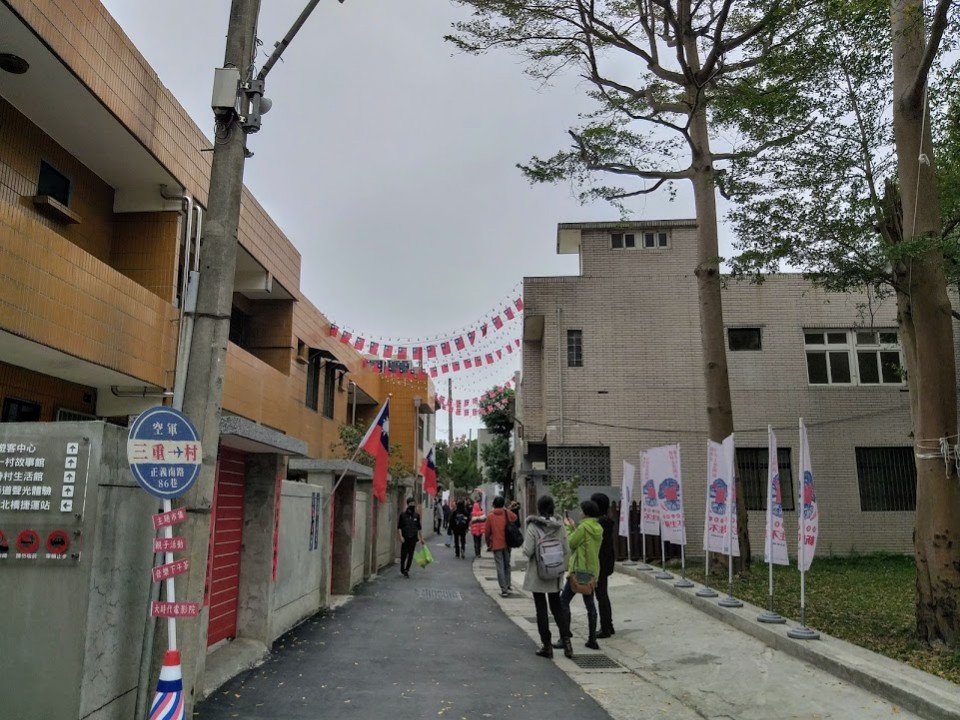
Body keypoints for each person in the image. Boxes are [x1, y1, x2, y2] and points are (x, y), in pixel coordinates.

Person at [523, 495, 572, 659]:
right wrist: (562, 568)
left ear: (538, 508)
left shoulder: (533, 527)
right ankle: (567, 643)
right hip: (555, 572)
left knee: (541, 609)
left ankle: (547, 646)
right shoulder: (559, 526)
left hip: (538, 573)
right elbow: (566, 549)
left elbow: (527, 551)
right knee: (557, 607)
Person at [554, 499, 603, 650]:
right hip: (592, 570)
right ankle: (592, 638)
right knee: (590, 604)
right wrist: (575, 527)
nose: (580, 512)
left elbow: (571, 543)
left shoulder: (584, 528)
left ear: (586, 513)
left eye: (582, 510)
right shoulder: (597, 527)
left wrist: (568, 528)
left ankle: (564, 637)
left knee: (563, 601)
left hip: (580, 570)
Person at [591, 492, 617, 638]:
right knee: (603, 594)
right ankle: (608, 625)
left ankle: (606, 627)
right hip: (606, 561)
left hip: (599, 562)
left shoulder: (599, 524)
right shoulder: (607, 521)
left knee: (601, 595)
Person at [484, 496, 518, 596]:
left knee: (500, 566)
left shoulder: (490, 516)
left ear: (494, 504)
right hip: (508, 543)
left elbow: (487, 533)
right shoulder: (506, 513)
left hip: (496, 544)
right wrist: (506, 509)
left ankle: (503, 589)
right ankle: (508, 584)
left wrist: (488, 544)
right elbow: (515, 517)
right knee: (507, 564)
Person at [397, 497, 424, 578]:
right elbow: (399, 527)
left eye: (413, 503)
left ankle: (407, 569)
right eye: (411, 503)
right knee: (403, 555)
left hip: (413, 538)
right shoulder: (402, 515)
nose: (412, 505)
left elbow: (419, 528)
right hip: (405, 538)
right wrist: (400, 536)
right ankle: (402, 567)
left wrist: (421, 538)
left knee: (411, 554)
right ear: (407, 504)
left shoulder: (417, 516)